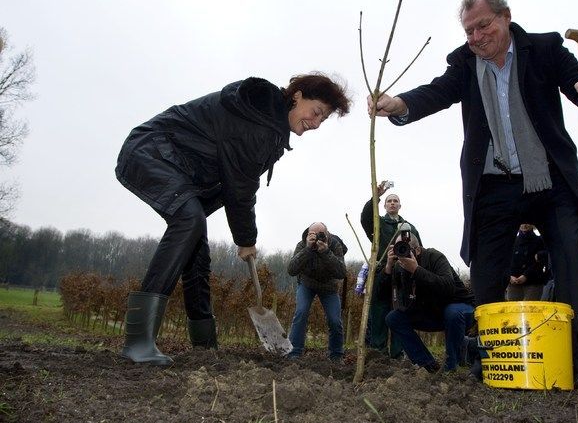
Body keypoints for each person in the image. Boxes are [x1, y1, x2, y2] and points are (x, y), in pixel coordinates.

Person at [367, 0, 578, 377]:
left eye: (483, 26)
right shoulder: (465, 63)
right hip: (494, 184)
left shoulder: (545, 48)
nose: (476, 37)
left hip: (549, 179)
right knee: (485, 272)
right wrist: (401, 105)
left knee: (569, 257)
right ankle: (492, 359)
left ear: (505, 17)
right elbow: (438, 92)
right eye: (469, 31)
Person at [115, 74, 351, 365]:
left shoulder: (270, 127)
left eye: (322, 120)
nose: (315, 124)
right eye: (316, 113)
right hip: (151, 151)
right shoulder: (257, 119)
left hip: (181, 169)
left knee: (195, 244)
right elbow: (239, 187)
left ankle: (203, 343)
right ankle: (138, 342)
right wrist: (246, 240)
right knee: (189, 221)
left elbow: (236, 182)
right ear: (297, 96)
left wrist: (242, 232)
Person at [382, 226, 475, 372]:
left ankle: (452, 366)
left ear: (417, 250)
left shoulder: (434, 256)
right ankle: (427, 365)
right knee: (393, 318)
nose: (402, 252)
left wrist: (416, 270)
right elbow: (381, 295)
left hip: (461, 309)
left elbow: (448, 287)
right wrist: (388, 267)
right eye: (399, 248)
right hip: (433, 313)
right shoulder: (399, 267)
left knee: (452, 312)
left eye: (405, 248)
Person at [360, 181, 422, 358]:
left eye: (395, 201)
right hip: (383, 271)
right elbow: (365, 217)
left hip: (404, 275)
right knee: (379, 310)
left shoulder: (410, 227)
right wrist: (376, 196)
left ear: (400, 206)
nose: (393, 203)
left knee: (400, 310)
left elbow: (419, 250)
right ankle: (378, 353)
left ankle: (397, 353)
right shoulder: (378, 223)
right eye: (389, 201)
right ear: (385, 206)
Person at [286, 222, 347, 361]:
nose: (317, 237)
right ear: (308, 234)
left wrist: (326, 252)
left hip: (329, 287)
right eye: (312, 234)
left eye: (321, 234)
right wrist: (307, 249)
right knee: (301, 312)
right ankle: (294, 352)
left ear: (327, 234)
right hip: (307, 284)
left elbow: (341, 272)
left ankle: (336, 355)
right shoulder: (302, 245)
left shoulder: (335, 245)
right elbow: (291, 270)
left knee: (335, 320)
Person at [506, 224, 548, 301]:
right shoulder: (512, 241)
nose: (524, 225)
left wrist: (526, 275)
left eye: (527, 223)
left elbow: (541, 263)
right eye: (522, 223)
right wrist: (510, 275)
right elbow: (506, 260)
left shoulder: (540, 241)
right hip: (514, 282)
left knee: (530, 310)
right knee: (513, 310)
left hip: (533, 282)